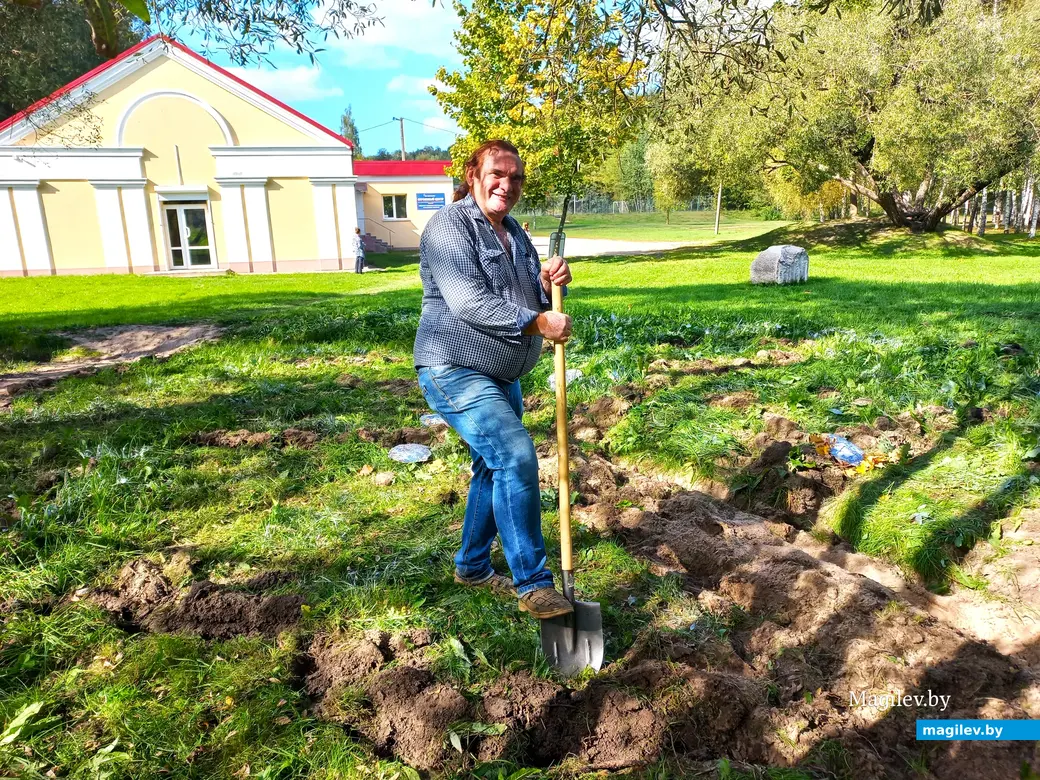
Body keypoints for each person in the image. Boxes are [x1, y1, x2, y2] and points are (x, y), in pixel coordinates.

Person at [414, 139, 575, 619]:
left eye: (516, 177)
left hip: (502, 376)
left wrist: (549, 287)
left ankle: (473, 566)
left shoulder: (515, 235)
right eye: (496, 174)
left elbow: (532, 303)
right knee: (515, 455)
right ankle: (534, 584)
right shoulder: (448, 226)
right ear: (473, 176)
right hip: (453, 368)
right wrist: (538, 323)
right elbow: (468, 301)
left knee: (492, 466)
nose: (506, 184)